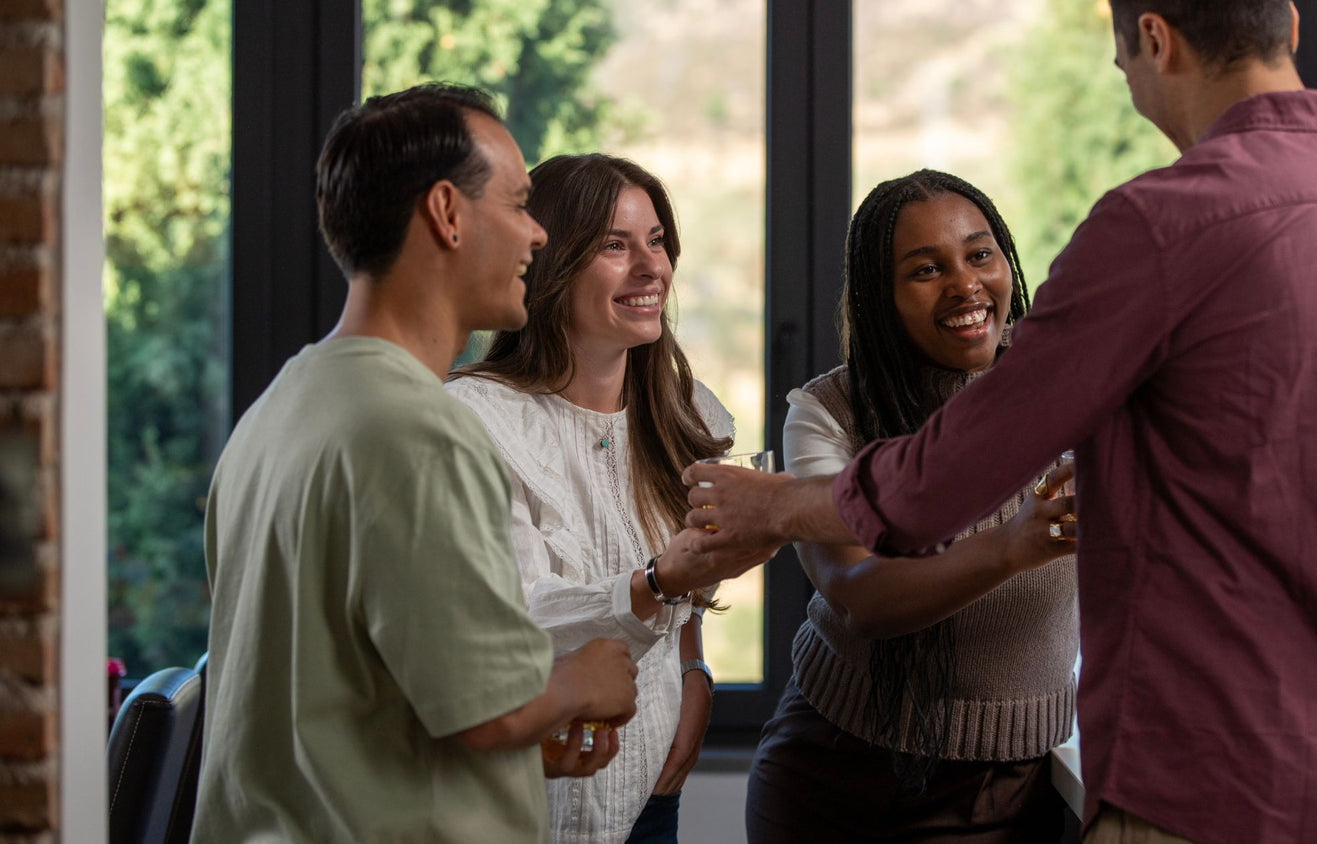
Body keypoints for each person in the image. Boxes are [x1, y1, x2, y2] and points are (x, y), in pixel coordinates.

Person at [684, 3, 1317, 842]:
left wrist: (778, 506)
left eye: (1124, 66)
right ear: (1288, 20)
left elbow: (944, 476)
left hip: (1214, 786)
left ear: (1152, 38)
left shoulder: (1164, 224)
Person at [191, 84, 641, 843]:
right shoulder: (418, 432)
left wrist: (522, 749)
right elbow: (490, 709)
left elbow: (349, 703)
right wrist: (583, 680)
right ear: (446, 212)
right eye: (519, 202)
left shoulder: (277, 412)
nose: (536, 235)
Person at [445, 153, 775, 844]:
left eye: (656, 241)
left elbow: (687, 605)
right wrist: (658, 579)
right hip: (529, 807)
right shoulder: (474, 420)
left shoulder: (685, 414)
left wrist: (696, 674)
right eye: (614, 245)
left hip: (648, 797)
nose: (651, 267)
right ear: (551, 262)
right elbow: (516, 623)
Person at [744, 170, 1080, 842]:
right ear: (880, 297)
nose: (965, 285)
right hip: (835, 775)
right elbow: (856, 594)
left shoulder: (1064, 378)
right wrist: (1012, 545)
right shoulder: (826, 413)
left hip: (1011, 789)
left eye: (980, 255)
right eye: (927, 269)